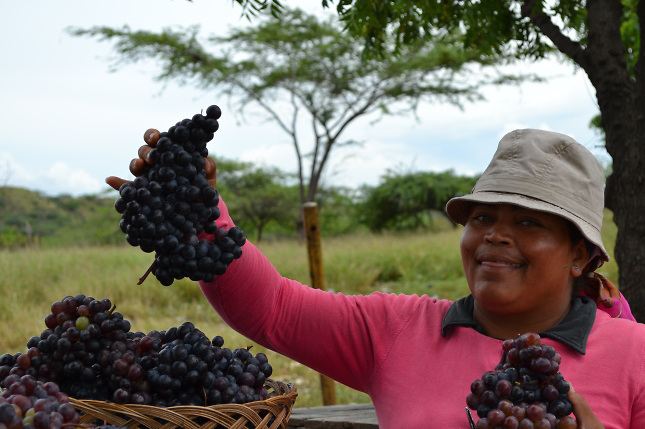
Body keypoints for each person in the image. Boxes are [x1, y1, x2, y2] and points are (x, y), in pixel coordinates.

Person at [108, 128, 644, 428]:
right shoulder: (399, 329)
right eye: (482, 218)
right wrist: (200, 210)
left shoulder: (635, 354)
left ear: (581, 256)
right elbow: (273, 308)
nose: (494, 237)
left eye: (527, 222)